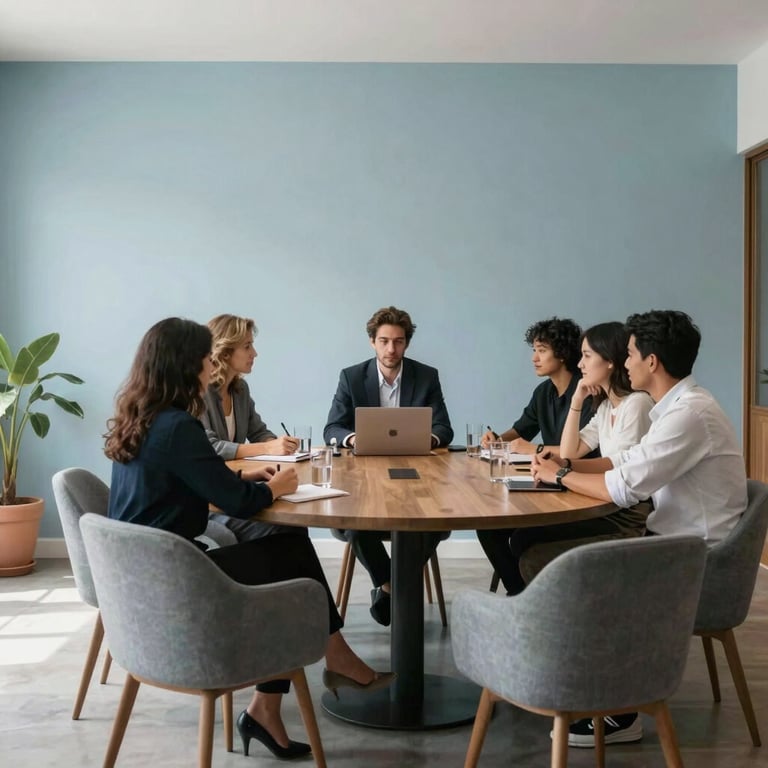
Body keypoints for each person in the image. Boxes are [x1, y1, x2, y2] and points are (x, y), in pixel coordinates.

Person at [105, 318, 393, 762]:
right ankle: (304, 679)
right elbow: (237, 503)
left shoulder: (140, 416)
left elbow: (194, 482)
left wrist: (250, 477)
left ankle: (278, 700)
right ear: (187, 365)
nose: (209, 365)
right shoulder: (180, 425)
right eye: (205, 358)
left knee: (286, 554)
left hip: (138, 586)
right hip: (180, 583)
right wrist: (274, 487)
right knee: (292, 568)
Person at [531, 309, 748, 749]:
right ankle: (579, 682)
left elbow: (625, 487)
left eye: (629, 354)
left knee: (571, 569)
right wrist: (566, 468)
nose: (624, 363)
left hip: (694, 560)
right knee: (552, 559)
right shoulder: (677, 408)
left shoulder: (689, 415)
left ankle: (618, 711)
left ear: (652, 362)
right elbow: (627, 465)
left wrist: (559, 476)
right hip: (674, 543)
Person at [492, 321, 655, 598]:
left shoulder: (637, 404)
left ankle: (542, 605)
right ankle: (534, 604)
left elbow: (619, 468)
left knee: (526, 542)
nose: (581, 364)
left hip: (626, 514)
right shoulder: (606, 407)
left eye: (588, 356)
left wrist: (559, 470)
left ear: (610, 362)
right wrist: (578, 400)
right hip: (607, 502)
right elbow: (569, 452)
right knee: (521, 538)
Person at [323, 306, 454, 626]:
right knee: (354, 522)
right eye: (384, 341)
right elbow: (332, 429)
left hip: (416, 476)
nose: (391, 349)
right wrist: (354, 439)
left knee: (435, 520)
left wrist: (430, 440)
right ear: (372, 342)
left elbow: (444, 428)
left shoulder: (426, 376)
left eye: (398, 341)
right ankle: (391, 585)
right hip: (364, 478)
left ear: (407, 343)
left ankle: (388, 590)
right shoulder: (352, 377)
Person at [477, 317, 594, 594]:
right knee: (488, 527)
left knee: (516, 534)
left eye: (541, 350)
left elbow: (585, 450)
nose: (534, 358)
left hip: (577, 484)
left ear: (563, 353)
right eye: (534, 350)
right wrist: (495, 440)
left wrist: (537, 450)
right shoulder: (544, 392)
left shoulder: (587, 392)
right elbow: (521, 431)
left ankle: (524, 598)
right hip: (547, 480)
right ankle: (520, 594)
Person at [201, 313, 305, 543]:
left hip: (234, 481)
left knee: (293, 522)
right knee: (288, 528)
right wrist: (268, 448)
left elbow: (258, 432)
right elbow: (212, 447)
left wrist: (281, 446)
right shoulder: (200, 392)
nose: (254, 353)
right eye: (247, 346)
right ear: (225, 351)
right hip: (215, 497)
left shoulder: (240, 390)